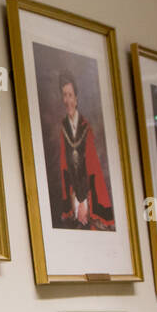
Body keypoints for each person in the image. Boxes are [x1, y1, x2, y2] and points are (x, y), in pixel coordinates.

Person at [54, 72, 113, 229]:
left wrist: (84, 203)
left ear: (76, 98)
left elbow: (92, 169)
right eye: (64, 95)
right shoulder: (63, 129)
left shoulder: (86, 127)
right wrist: (75, 202)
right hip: (73, 201)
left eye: (70, 95)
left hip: (90, 199)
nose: (67, 100)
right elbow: (64, 170)